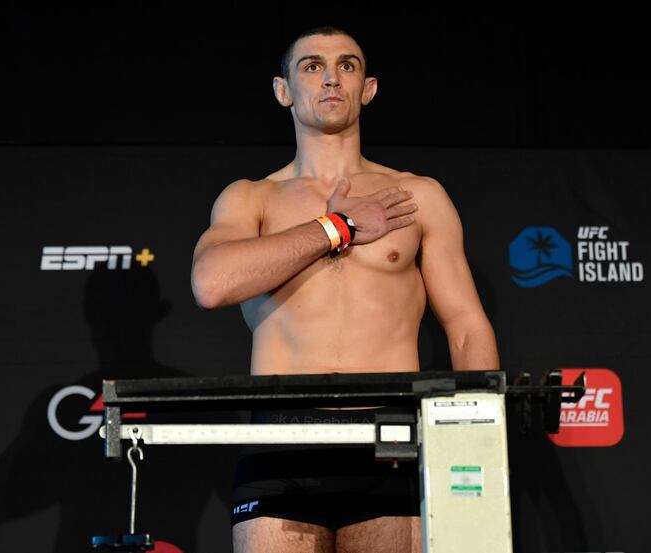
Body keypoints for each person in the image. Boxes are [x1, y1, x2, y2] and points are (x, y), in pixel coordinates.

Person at [191, 26, 499, 553]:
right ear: (283, 90)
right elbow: (212, 284)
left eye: (347, 66)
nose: (331, 77)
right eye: (311, 66)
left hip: (391, 433)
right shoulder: (251, 198)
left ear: (369, 88)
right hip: (280, 437)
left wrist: (477, 439)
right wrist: (337, 227)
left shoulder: (418, 196)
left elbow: (466, 326)